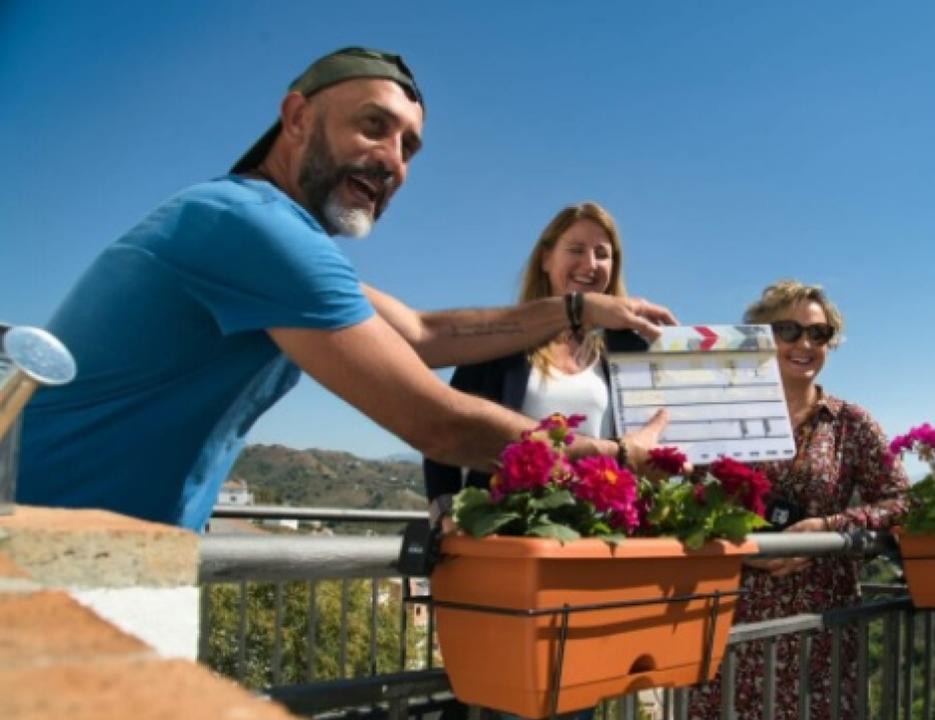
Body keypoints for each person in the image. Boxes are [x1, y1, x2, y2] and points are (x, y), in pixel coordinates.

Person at [16, 47, 673, 531]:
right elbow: (434, 423)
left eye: (410, 148)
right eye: (373, 127)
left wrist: (580, 308)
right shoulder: (252, 229)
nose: (393, 160)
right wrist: (614, 456)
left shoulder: (265, 230)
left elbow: (424, 334)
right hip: (46, 542)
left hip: (95, 544)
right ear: (297, 116)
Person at [423, 201, 631, 720]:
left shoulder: (620, 354)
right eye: (576, 250)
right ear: (546, 259)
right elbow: (446, 427)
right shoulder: (504, 343)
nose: (590, 263)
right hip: (515, 552)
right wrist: (445, 510)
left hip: (592, 555)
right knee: (534, 714)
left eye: (602, 253)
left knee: (575, 706)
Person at [685, 280, 909, 720]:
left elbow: (901, 501)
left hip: (820, 637)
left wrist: (828, 531)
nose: (804, 344)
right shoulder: (724, 415)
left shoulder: (850, 423)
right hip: (734, 627)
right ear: (761, 337)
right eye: (788, 330)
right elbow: (687, 501)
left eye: (818, 332)